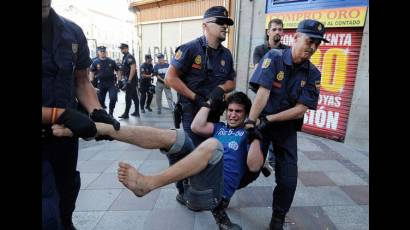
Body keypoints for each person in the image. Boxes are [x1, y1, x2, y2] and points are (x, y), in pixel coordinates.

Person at [52, 92, 265, 230]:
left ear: (246, 114)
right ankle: (99, 129)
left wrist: (253, 133)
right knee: (177, 136)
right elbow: (196, 126)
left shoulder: (248, 135)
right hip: (191, 184)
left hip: (212, 194)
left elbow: (254, 166)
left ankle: (148, 184)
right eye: (230, 111)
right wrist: (211, 101)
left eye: (238, 112)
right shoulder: (219, 128)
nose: (233, 115)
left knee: (212, 145)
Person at [42, 1, 121, 229]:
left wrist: (96, 111)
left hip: (65, 138)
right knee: (47, 214)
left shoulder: (72, 32)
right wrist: (61, 114)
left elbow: (81, 80)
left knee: (67, 191)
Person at [245, 19, 329, 230]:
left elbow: (301, 109)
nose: (313, 47)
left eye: (317, 44)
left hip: (285, 130)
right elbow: (263, 93)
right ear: (296, 37)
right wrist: (250, 123)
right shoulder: (273, 57)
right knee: (249, 170)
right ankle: (224, 197)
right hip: (261, 125)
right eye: (310, 41)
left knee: (288, 180)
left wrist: (269, 120)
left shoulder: (313, 74)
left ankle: (278, 219)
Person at [165, 5, 236, 147]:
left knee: (211, 153)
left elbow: (231, 82)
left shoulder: (226, 54)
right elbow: (170, 77)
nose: (224, 27)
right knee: (193, 154)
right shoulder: (190, 49)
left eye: (226, 23)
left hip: (213, 112)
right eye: (220, 22)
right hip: (191, 112)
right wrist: (195, 97)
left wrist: (220, 89)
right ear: (205, 26)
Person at [252, 18, 289, 176]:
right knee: (262, 131)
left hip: (280, 99)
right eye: (274, 29)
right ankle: (259, 160)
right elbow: (259, 74)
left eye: (280, 30)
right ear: (268, 32)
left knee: (278, 131)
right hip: (264, 98)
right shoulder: (260, 50)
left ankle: (273, 161)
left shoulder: (287, 50)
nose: (277, 32)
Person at [90, 46, 120, 116]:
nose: (103, 53)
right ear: (98, 53)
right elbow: (92, 71)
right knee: (100, 100)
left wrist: (119, 80)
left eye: (104, 51)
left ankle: (111, 112)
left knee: (113, 97)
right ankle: (103, 114)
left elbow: (118, 70)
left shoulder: (111, 61)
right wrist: (91, 81)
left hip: (111, 83)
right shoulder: (95, 62)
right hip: (101, 83)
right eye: (101, 52)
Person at [118, 43, 140, 119]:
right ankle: (137, 112)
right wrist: (121, 80)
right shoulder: (125, 57)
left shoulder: (129, 57)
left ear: (127, 48)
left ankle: (126, 113)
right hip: (129, 79)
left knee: (128, 96)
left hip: (132, 80)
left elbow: (133, 68)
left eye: (123, 48)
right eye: (121, 49)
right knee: (134, 96)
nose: (121, 50)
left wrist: (129, 80)